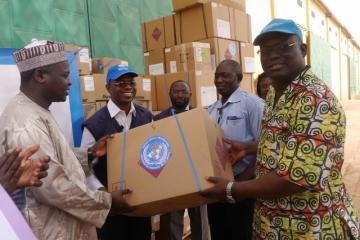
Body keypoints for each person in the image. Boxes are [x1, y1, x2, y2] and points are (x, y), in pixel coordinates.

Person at [201, 19, 360, 239]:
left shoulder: (317, 101)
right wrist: (251, 148)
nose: (273, 55)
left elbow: (296, 178)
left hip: (310, 226)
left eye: (284, 46)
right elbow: (289, 140)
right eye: (266, 50)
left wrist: (232, 190)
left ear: (303, 50)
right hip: (271, 224)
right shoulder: (276, 93)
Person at [0, 39, 133, 240]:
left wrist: (89, 154)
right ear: (40, 75)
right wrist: (107, 202)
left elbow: (56, 159)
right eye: (64, 75)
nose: (70, 81)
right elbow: (51, 185)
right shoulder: (25, 122)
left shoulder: (36, 110)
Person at [81, 64, 153, 240]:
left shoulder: (146, 116)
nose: (128, 86)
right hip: (110, 207)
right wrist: (103, 193)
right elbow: (84, 167)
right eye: (120, 83)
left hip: (140, 203)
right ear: (108, 88)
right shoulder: (94, 124)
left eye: (131, 82)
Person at [207, 59, 264, 240]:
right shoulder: (211, 110)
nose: (219, 80)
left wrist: (243, 182)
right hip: (217, 186)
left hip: (242, 186)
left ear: (238, 78)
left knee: (241, 233)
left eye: (225, 75)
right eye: (217, 76)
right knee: (219, 232)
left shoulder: (253, 104)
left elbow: (264, 146)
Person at [154, 80, 209, 240]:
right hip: (171, 178)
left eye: (183, 91)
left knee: (200, 221)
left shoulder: (200, 116)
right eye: (176, 91)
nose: (179, 95)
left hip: (197, 177)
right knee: (172, 222)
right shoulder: (158, 120)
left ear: (190, 95)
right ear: (170, 95)